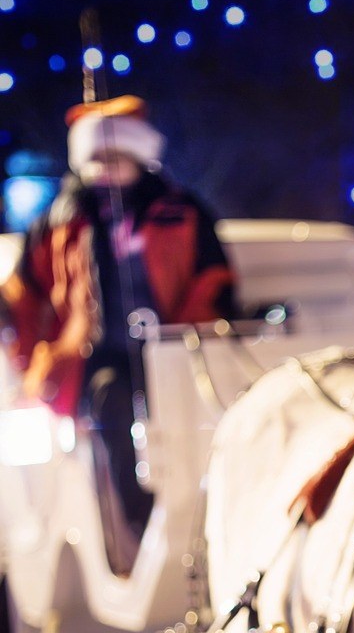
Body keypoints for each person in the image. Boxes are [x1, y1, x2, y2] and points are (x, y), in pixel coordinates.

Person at [1, 94, 234, 561]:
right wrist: (33, 361)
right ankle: (144, 527)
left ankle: (211, 518)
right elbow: (23, 296)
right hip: (98, 357)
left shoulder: (180, 210)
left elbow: (214, 279)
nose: (106, 168)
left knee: (198, 426)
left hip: (175, 349)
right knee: (112, 417)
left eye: (115, 156)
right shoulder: (59, 221)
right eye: (97, 158)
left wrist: (192, 334)